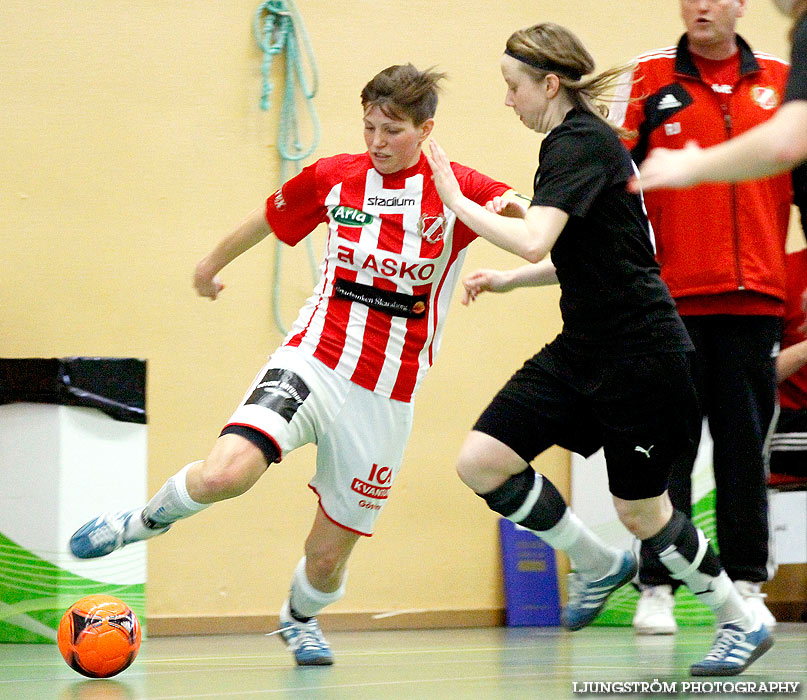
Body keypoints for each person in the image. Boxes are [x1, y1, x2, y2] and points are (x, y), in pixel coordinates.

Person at [68, 63, 514, 667]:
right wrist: (209, 263)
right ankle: (139, 523)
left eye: (392, 130)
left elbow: (535, 217)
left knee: (328, 562)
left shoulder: (458, 188)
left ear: (426, 129)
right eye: (369, 128)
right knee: (227, 472)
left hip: (387, 395)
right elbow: (268, 218)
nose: (377, 142)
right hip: (315, 360)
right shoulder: (334, 178)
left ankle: (298, 618)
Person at [425, 21, 772, 676]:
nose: (507, 100)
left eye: (511, 87)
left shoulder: (579, 142)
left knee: (643, 513)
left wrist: (453, 202)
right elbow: (571, 255)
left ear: (548, 84)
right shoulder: (571, 145)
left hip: (641, 358)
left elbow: (532, 237)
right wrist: (506, 280)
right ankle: (591, 561)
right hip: (581, 349)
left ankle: (739, 619)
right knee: (480, 462)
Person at [615, 0, 792, 636]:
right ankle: (659, 585)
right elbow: (613, 181)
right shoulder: (646, 79)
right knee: (667, 448)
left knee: (744, 449)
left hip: (755, 301)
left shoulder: (778, 79)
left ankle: (746, 585)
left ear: (742, 4)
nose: (703, 5)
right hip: (669, 304)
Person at [632, 0, 807, 190]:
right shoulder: (645, 74)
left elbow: (787, 145)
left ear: (740, 5)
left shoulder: (780, 74)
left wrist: (693, 165)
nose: (703, 6)